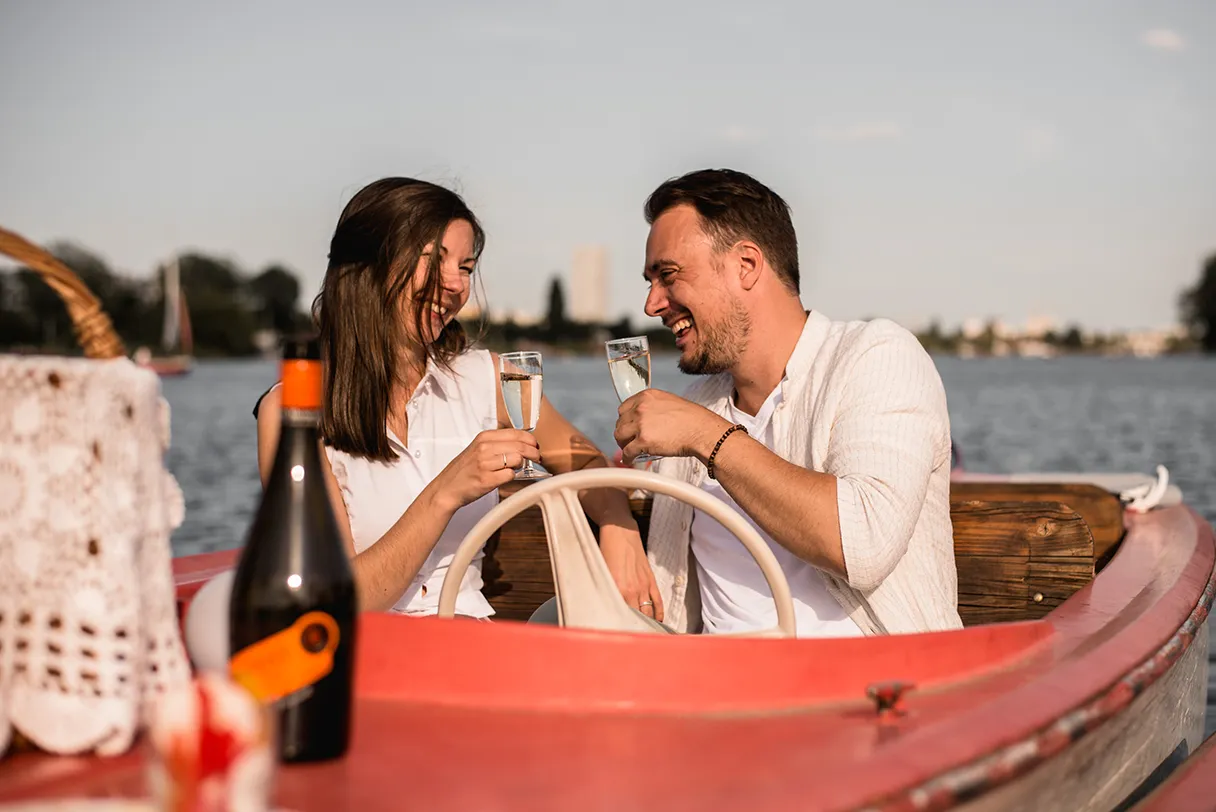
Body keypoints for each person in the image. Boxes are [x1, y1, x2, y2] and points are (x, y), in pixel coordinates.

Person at [254, 177, 660, 620]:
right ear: (366, 267)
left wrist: (620, 530)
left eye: (466, 268)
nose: (455, 285)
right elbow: (337, 601)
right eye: (433, 260)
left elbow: (585, 463)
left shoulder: (494, 376)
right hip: (369, 659)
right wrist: (445, 492)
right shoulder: (291, 412)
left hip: (470, 644)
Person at [613, 168, 961, 636]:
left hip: (873, 693)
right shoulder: (700, 403)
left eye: (668, 275)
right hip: (715, 692)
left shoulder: (876, 356)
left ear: (747, 266)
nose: (652, 304)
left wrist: (704, 436)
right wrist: (617, 519)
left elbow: (861, 543)